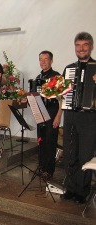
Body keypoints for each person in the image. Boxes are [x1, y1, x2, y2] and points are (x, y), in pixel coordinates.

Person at [60, 32, 96, 204]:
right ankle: (71, 188)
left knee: (85, 156)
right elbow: (61, 94)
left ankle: (83, 191)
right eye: (78, 45)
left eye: (85, 45)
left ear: (91, 46)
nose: (81, 48)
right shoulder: (69, 69)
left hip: (89, 118)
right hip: (70, 115)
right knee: (69, 154)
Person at [33, 51, 62, 181]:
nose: (43, 62)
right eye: (41, 59)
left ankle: (48, 170)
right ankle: (41, 166)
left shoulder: (57, 77)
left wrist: (58, 116)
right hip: (40, 112)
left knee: (50, 142)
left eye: (46, 59)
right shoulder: (39, 77)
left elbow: (62, 100)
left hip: (52, 111)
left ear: (51, 61)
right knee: (41, 140)